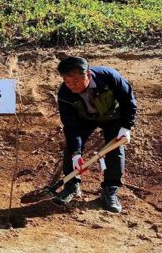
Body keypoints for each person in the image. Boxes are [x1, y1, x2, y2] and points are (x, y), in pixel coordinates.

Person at [52, 56, 136, 213]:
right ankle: (72, 186)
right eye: (67, 82)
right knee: (71, 148)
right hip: (84, 119)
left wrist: (126, 127)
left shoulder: (109, 77)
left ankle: (110, 190)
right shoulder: (64, 94)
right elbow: (71, 126)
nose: (71, 86)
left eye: (75, 81)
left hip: (112, 116)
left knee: (114, 149)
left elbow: (128, 100)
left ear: (88, 74)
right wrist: (76, 153)